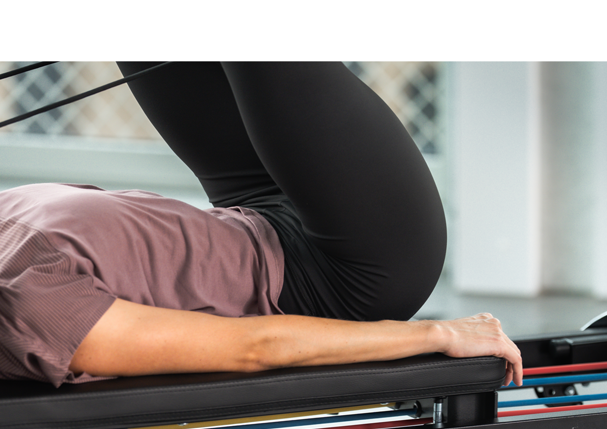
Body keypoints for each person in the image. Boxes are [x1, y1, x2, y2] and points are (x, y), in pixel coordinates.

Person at [0, 62, 523, 388]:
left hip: (250, 205)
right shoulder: (35, 316)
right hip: (342, 275)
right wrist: (437, 334)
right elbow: (253, 347)